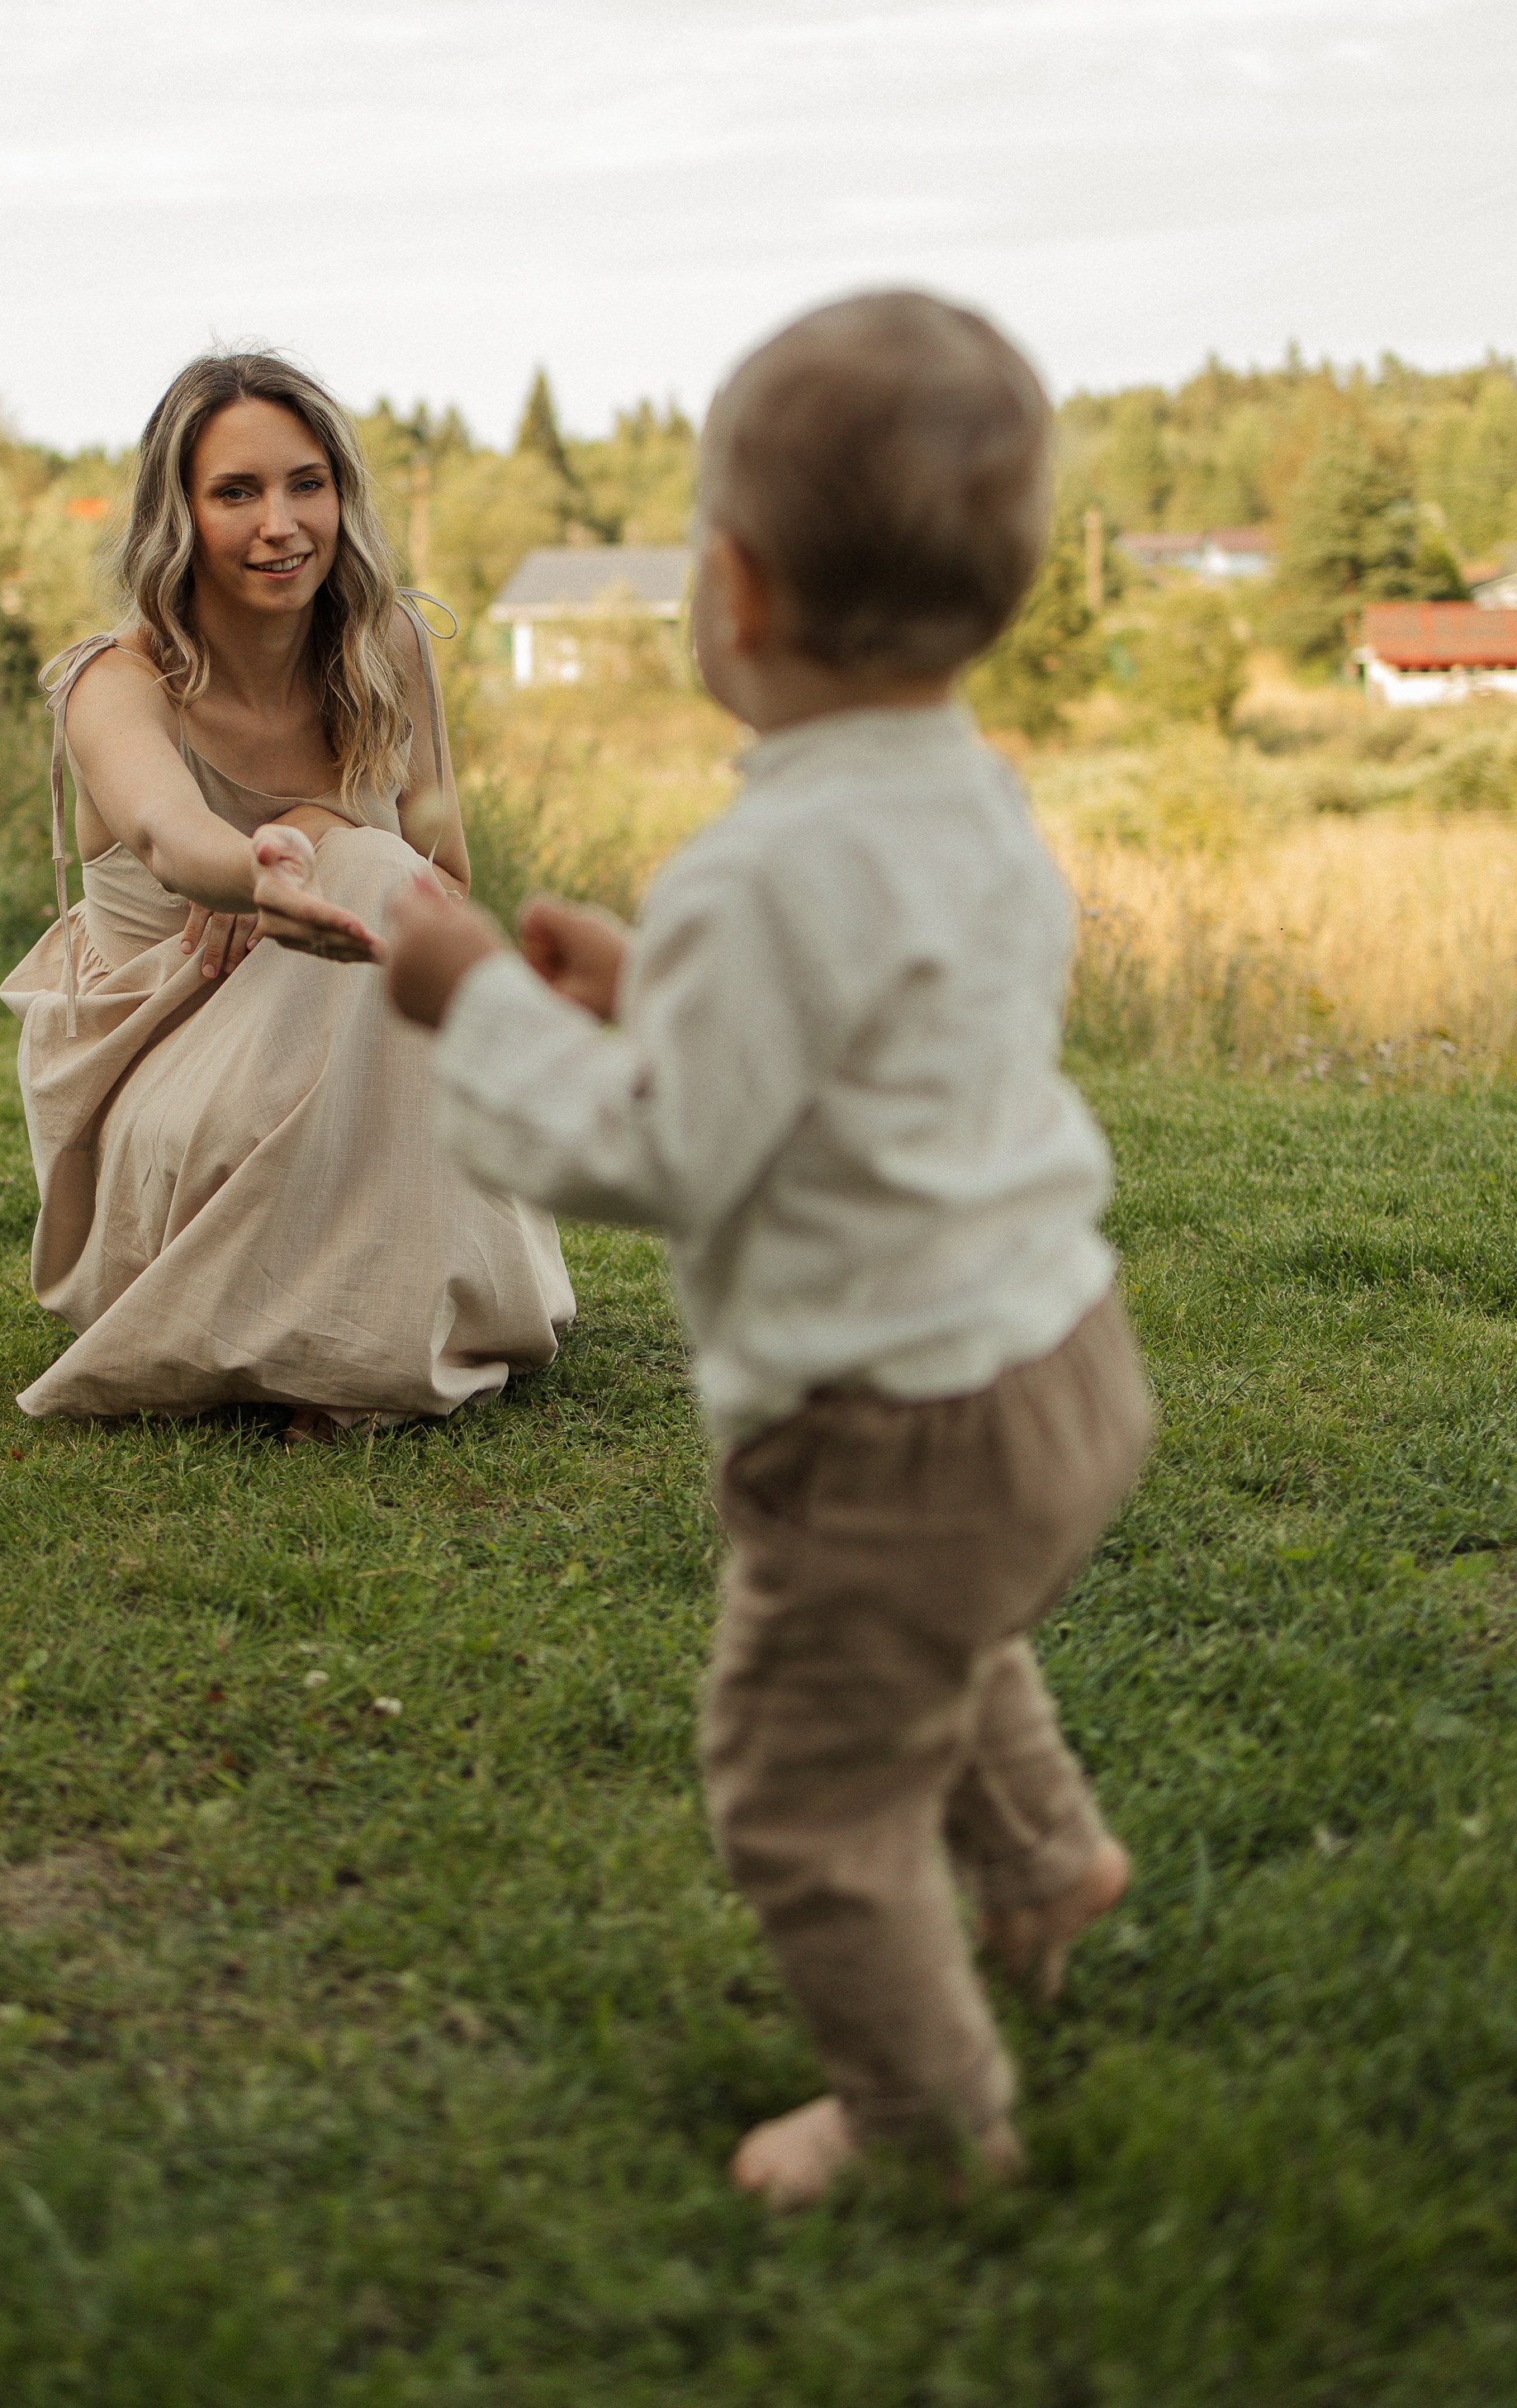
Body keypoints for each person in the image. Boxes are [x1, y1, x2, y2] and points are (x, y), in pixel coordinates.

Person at [384, 290, 1154, 2205]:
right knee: (938, 1629)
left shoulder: (764, 864)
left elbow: (664, 1154)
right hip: (1057, 1361)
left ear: (730, 587)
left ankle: (923, 2126)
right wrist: (661, 988)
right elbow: (874, 1038)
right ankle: (1045, 1859)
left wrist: (478, 1000)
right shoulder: (972, 795)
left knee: (806, 1786)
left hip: (888, 1420)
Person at [1, 348, 572, 1439]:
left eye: (307, 483)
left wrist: (314, 832)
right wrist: (254, 873)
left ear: (343, 493)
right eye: (236, 492)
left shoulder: (387, 645)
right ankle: (348, 1336)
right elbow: (167, 834)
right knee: (376, 875)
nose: (281, 524)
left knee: (387, 878)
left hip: (346, 1057)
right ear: (177, 515)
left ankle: (349, 1343)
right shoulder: (116, 683)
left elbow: (446, 874)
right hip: (163, 1090)